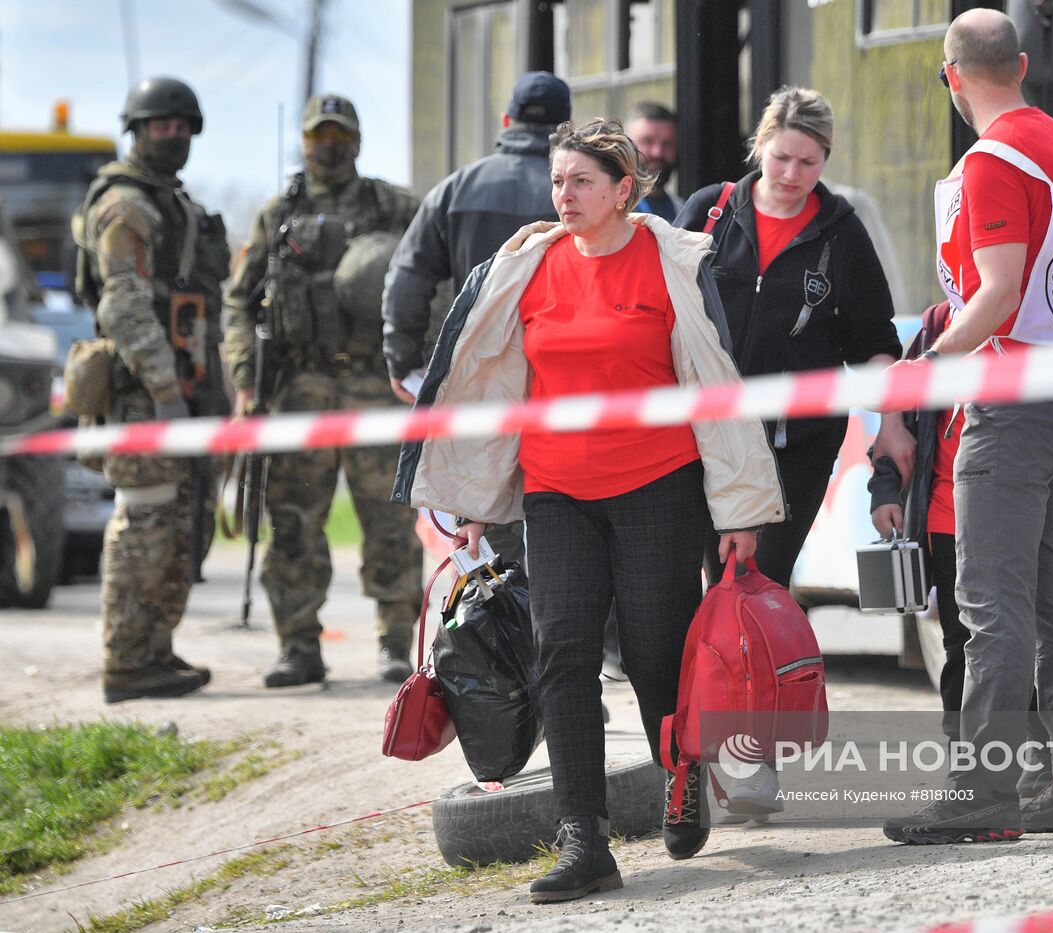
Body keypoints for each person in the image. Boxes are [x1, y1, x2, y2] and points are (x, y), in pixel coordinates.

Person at [392, 119, 784, 903]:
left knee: (650, 653)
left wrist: (739, 508)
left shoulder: (672, 262)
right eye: (557, 181)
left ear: (623, 191)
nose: (562, 196)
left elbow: (717, 384)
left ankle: (682, 781)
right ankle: (583, 838)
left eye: (580, 182)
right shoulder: (525, 267)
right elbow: (493, 383)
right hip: (556, 489)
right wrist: (472, 498)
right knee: (562, 655)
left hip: (656, 483)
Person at [881, 8, 1053, 845]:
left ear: (953, 77)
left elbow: (995, 293)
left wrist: (927, 364)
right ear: (1021, 65)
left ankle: (984, 793)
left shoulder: (991, 161)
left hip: (1011, 400)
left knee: (990, 601)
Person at [869, 303, 1053, 795]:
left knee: (1014, 631)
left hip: (1010, 506)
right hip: (946, 521)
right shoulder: (936, 327)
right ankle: (1037, 773)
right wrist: (885, 491)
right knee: (969, 644)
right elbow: (896, 430)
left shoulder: (1040, 326)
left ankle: (998, 781)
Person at [224, 94, 422, 688]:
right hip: (301, 390)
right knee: (292, 523)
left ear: (357, 141)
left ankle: (394, 642)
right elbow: (239, 301)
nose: (329, 148)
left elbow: (436, 278)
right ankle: (298, 646)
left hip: (375, 386)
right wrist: (242, 380)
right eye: (318, 137)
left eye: (339, 137)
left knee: (389, 522)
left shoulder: (395, 207)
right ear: (304, 142)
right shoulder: (275, 216)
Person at [675, 86, 904, 591]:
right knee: (700, 586)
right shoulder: (710, 212)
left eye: (808, 162)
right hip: (703, 437)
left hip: (795, 446)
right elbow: (659, 312)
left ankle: (753, 671)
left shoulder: (842, 233)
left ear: (826, 159)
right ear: (759, 146)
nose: (791, 175)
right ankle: (711, 672)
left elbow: (873, 340)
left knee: (757, 584)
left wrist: (891, 421)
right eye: (781, 157)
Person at [71, 77, 229, 704]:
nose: (174, 135)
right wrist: (164, 388)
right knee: (144, 523)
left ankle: (154, 652)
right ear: (137, 130)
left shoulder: (173, 202)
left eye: (183, 125)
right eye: (161, 125)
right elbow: (123, 307)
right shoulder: (126, 206)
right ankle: (127, 660)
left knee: (178, 525)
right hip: (144, 396)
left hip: (182, 391)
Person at [382, 71, 570, 568]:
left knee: (486, 534)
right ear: (566, 128)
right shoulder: (583, 188)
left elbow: (407, 276)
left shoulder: (457, 187)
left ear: (506, 121)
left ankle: (497, 635)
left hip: (482, 376)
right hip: (565, 377)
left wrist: (404, 363)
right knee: (569, 525)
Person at [625, 101, 679, 221]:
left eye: (668, 144)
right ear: (626, 146)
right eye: (647, 141)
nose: (658, 152)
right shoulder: (607, 212)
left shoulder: (684, 211)